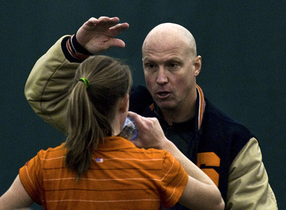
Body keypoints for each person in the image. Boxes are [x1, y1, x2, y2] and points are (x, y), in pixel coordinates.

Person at [23, 16, 277, 209]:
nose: (161, 78)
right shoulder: (119, 114)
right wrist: (76, 48)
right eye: (151, 66)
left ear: (196, 66)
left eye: (173, 65)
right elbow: (44, 97)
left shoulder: (233, 139)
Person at [0, 55, 224, 210]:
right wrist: (164, 144)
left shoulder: (44, 166)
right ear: (124, 103)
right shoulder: (156, 165)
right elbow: (214, 202)